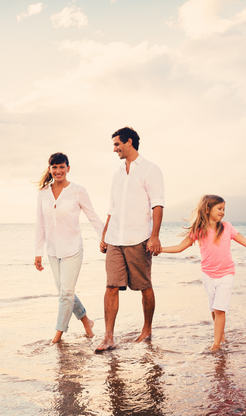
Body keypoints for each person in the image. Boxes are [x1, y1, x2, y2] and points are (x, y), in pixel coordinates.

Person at [162, 194, 246, 351]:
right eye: (219, 208)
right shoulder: (199, 230)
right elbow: (179, 247)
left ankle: (216, 345)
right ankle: (221, 336)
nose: (222, 212)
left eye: (224, 209)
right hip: (208, 275)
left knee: (219, 309)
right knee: (214, 309)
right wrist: (159, 250)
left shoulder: (227, 227)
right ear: (207, 209)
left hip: (226, 274)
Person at [95, 127, 164, 352]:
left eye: (117, 144)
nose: (114, 149)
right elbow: (112, 208)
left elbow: (157, 204)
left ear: (129, 142)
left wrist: (154, 236)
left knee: (144, 286)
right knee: (111, 286)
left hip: (139, 238)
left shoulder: (150, 169)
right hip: (115, 238)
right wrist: (104, 235)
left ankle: (147, 328)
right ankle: (108, 337)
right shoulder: (117, 174)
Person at [34, 152, 104, 344]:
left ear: (68, 168)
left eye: (61, 167)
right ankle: (87, 321)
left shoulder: (78, 191)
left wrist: (105, 238)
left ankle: (57, 336)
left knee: (65, 294)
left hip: (73, 249)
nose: (58, 171)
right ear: (50, 169)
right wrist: (37, 252)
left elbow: (92, 216)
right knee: (65, 292)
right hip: (52, 251)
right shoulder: (43, 193)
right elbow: (40, 224)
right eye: (54, 167)